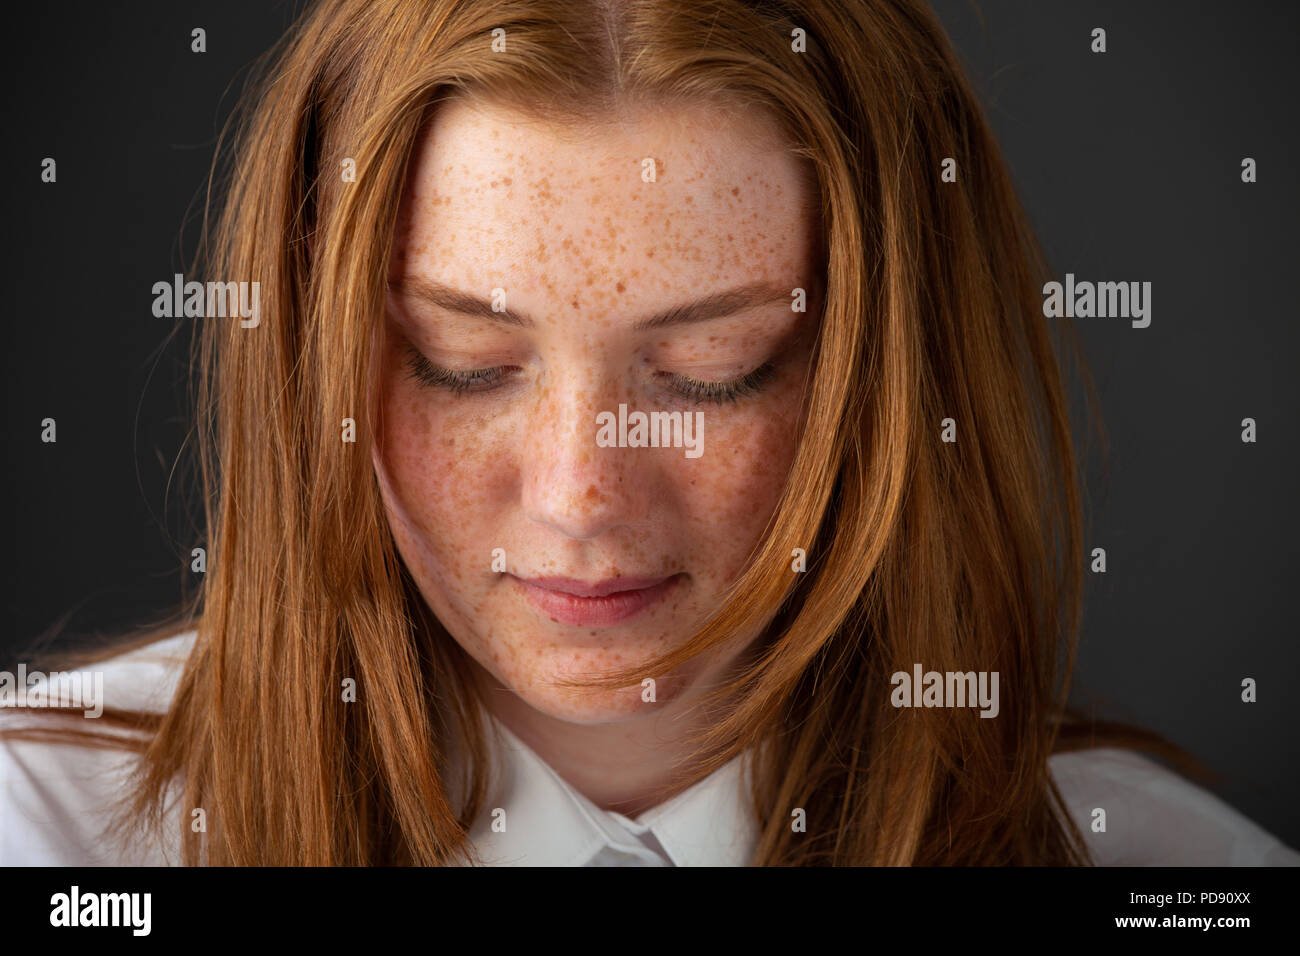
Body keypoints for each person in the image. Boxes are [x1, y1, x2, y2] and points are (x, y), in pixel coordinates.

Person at [2, 0, 1296, 866]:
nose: (579, 496)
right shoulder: (45, 836)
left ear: (889, 371)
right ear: (319, 353)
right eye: (463, 363)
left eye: (712, 370)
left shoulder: (1172, 868)